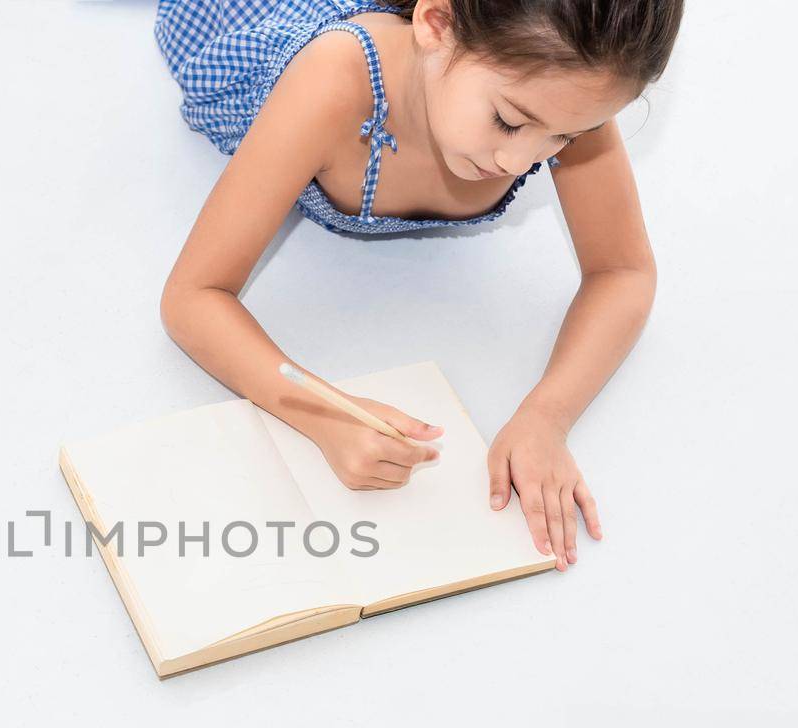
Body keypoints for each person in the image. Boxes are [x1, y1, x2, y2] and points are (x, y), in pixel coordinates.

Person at [155, 0, 683, 570]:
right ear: (437, 24)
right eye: (508, 121)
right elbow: (193, 297)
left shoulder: (568, 86)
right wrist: (321, 413)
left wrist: (546, 417)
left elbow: (623, 271)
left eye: (566, 140)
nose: (518, 159)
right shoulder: (332, 80)